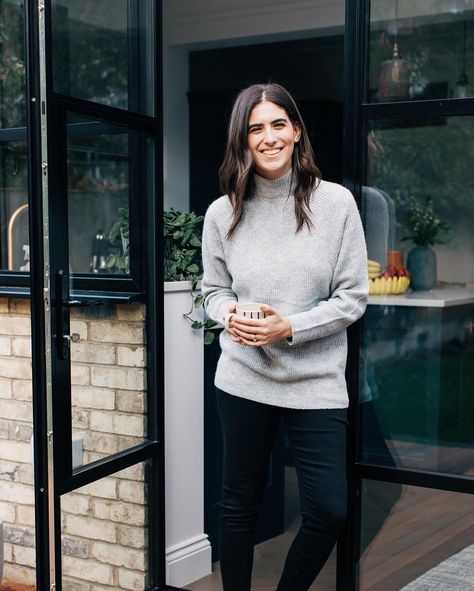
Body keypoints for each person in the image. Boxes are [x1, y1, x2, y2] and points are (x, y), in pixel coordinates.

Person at [201, 83, 368, 591]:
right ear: (243, 141)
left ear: (297, 131)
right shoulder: (222, 212)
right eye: (256, 128)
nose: (268, 137)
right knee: (239, 505)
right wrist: (230, 316)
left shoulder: (335, 204)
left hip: (315, 380)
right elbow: (212, 291)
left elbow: (353, 297)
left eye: (278, 124)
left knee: (328, 509)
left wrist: (289, 326)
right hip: (244, 377)